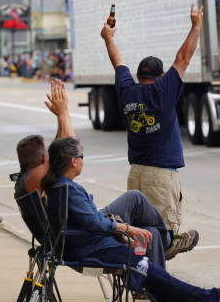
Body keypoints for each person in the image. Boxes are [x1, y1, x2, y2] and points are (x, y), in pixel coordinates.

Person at [41, 137, 220, 301]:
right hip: (94, 249)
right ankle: (212, 297)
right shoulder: (68, 189)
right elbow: (95, 223)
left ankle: (167, 245)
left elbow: (89, 219)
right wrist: (128, 229)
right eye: (82, 156)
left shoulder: (60, 186)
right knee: (152, 271)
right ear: (74, 162)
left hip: (90, 244)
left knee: (150, 240)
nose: (83, 160)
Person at [14, 80, 173, 268]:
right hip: (84, 232)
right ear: (42, 160)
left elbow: (61, 149)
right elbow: (68, 147)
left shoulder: (27, 180)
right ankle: (168, 242)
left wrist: (60, 116)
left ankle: (147, 285)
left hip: (77, 228)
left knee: (150, 231)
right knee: (135, 198)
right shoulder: (33, 179)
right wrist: (63, 113)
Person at [101, 3, 204, 259]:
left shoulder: (128, 90)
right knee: (161, 232)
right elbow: (183, 59)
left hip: (135, 173)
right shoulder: (163, 91)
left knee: (142, 231)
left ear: (137, 76)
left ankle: (144, 276)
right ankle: (166, 250)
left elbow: (118, 63)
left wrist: (108, 38)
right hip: (160, 175)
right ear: (160, 77)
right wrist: (196, 26)